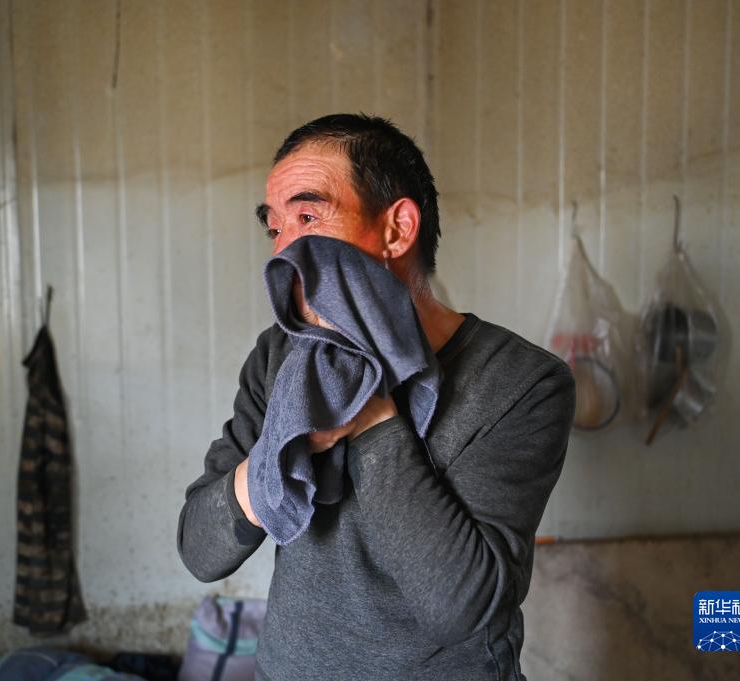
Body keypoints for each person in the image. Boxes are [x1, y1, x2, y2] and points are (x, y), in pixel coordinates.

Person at [176, 113, 575, 681]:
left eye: (308, 217)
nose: (284, 251)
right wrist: (280, 448)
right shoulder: (279, 357)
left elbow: (462, 608)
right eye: (275, 229)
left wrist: (369, 417)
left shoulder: (521, 383)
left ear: (397, 230)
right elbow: (200, 549)